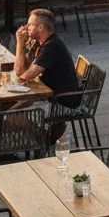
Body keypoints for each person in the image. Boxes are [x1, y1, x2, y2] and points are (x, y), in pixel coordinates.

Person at [14, 9, 82, 143]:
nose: (26, 28)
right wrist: (20, 43)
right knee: (7, 108)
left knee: (10, 115)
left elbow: (27, 76)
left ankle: (43, 138)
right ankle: (43, 136)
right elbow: (20, 72)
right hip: (48, 93)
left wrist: (10, 84)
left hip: (62, 100)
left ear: (41, 27)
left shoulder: (52, 45)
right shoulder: (39, 43)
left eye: (30, 25)